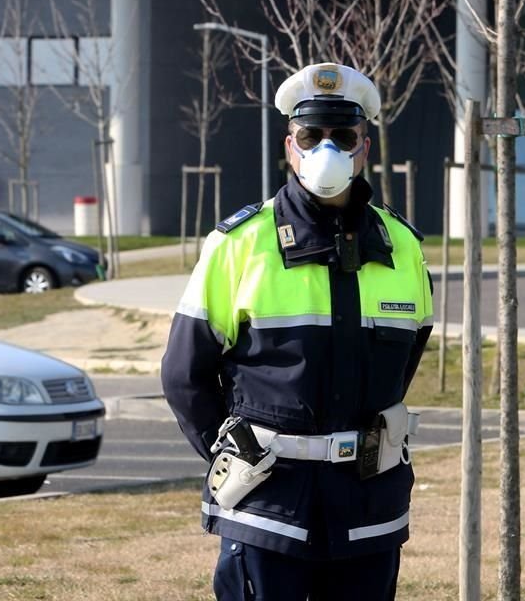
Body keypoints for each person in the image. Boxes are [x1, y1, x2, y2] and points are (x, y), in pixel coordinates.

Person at [161, 62, 433, 601]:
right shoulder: (239, 244)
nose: (326, 149)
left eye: (343, 136)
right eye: (312, 136)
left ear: (365, 147)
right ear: (291, 147)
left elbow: (406, 361)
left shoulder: (404, 246)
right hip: (267, 508)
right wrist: (231, 456)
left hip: (367, 506)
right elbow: (183, 374)